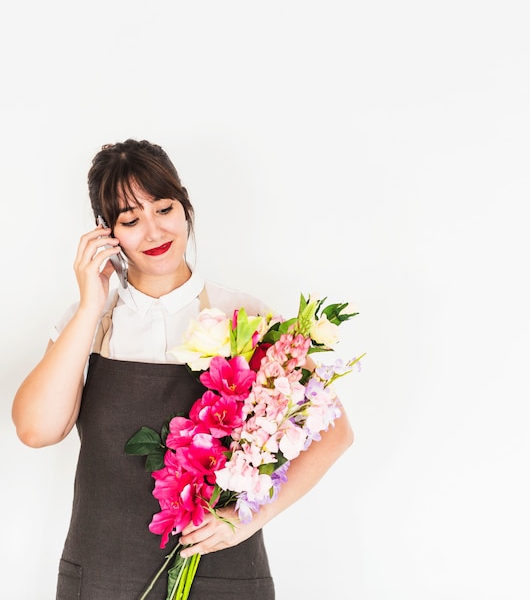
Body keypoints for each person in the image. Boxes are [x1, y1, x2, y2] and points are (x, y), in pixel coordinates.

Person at [12, 139, 354, 599]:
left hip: (222, 570)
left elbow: (334, 432)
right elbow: (36, 430)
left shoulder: (247, 317)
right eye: (130, 220)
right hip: (103, 572)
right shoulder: (87, 322)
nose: (153, 232)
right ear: (105, 233)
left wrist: (245, 519)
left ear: (185, 206)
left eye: (164, 209)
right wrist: (91, 303)